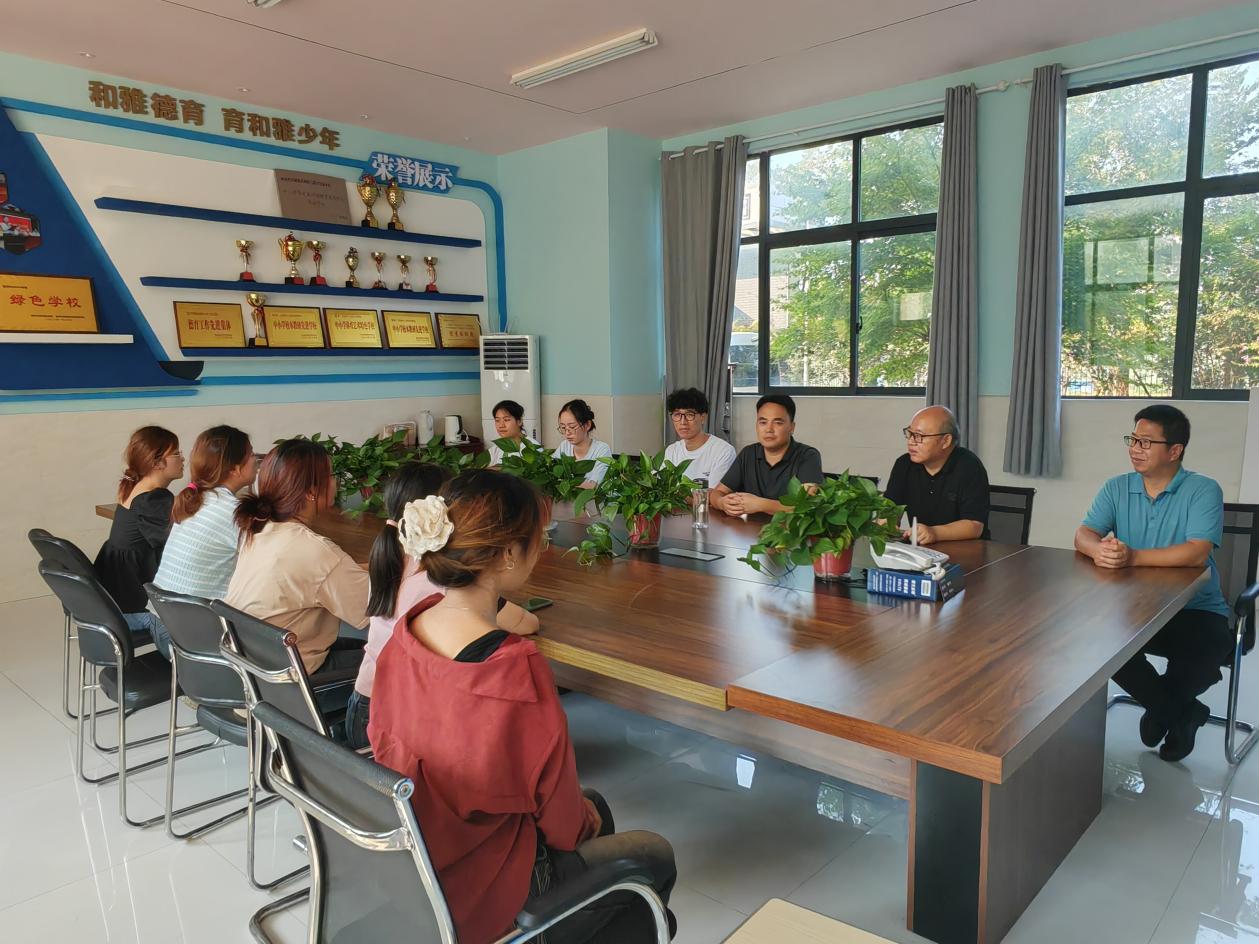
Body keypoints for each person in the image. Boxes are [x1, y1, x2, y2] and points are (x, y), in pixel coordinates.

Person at [369, 469, 677, 943]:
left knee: (593, 806)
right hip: (485, 885)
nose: (543, 546)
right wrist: (576, 823)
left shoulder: (407, 632)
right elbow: (562, 823)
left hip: (421, 853)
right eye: (539, 537)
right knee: (653, 853)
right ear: (510, 554)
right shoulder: (510, 668)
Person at [345, 462, 539, 751]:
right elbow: (527, 624)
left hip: (364, 703)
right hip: (394, 723)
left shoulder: (386, 556)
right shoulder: (441, 580)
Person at [1075, 405, 1231, 762]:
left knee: (1205, 653)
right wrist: (1098, 550)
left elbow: (1197, 552)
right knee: (1100, 646)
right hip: (1135, 607)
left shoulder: (1203, 489)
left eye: (1146, 442)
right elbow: (1084, 534)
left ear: (1174, 450)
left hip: (1195, 608)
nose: (1135, 448)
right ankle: (1179, 714)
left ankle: (1162, 709)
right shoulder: (1117, 487)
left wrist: (1133, 557)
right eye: (1133, 440)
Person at [226, 439, 368, 688]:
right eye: (332, 476)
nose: (336, 483)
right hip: (294, 686)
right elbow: (374, 607)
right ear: (312, 491)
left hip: (252, 674)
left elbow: (326, 575)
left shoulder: (259, 531)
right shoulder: (316, 550)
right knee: (392, 658)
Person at [150, 425, 258, 658]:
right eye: (251, 454)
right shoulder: (232, 512)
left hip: (162, 623)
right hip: (190, 642)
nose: (256, 460)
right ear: (235, 468)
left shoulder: (199, 499)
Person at [95, 426, 183, 642]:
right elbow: (178, 544)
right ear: (157, 462)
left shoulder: (134, 487)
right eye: (176, 453)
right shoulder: (153, 499)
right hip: (134, 606)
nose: (183, 458)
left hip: (113, 597)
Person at [884, 405, 990, 545]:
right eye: (910, 434)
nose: (911, 441)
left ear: (945, 441)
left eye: (919, 436)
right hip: (921, 549)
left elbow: (974, 526)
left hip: (966, 549)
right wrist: (886, 524)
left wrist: (934, 533)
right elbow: (890, 510)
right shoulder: (904, 464)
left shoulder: (969, 467)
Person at [711, 394, 823, 515]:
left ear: (792, 427)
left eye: (778, 423)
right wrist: (722, 503)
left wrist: (761, 505)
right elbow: (717, 493)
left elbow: (808, 506)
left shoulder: (808, 456)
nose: (769, 429)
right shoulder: (748, 453)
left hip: (787, 527)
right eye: (763, 422)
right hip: (750, 526)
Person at [663, 387, 736, 488]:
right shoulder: (672, 451)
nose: (683, 422)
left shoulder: (723, 451)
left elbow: (715, 494)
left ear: (703, 417)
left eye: (689, 415)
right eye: (677, 415)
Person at [553, 399, 612, 488]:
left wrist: (565, 485)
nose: (567, 433)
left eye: (572, 427)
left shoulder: (602, 449)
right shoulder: (564, 446)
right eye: (563, 428)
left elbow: (594, 486)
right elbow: (552, 474)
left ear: (587, 425)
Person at [486, 399, 535, 467]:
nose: (501, 425)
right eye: (497, 420)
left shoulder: (532, 448)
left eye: (506, 420)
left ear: (519, 421)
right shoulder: (496, 449)